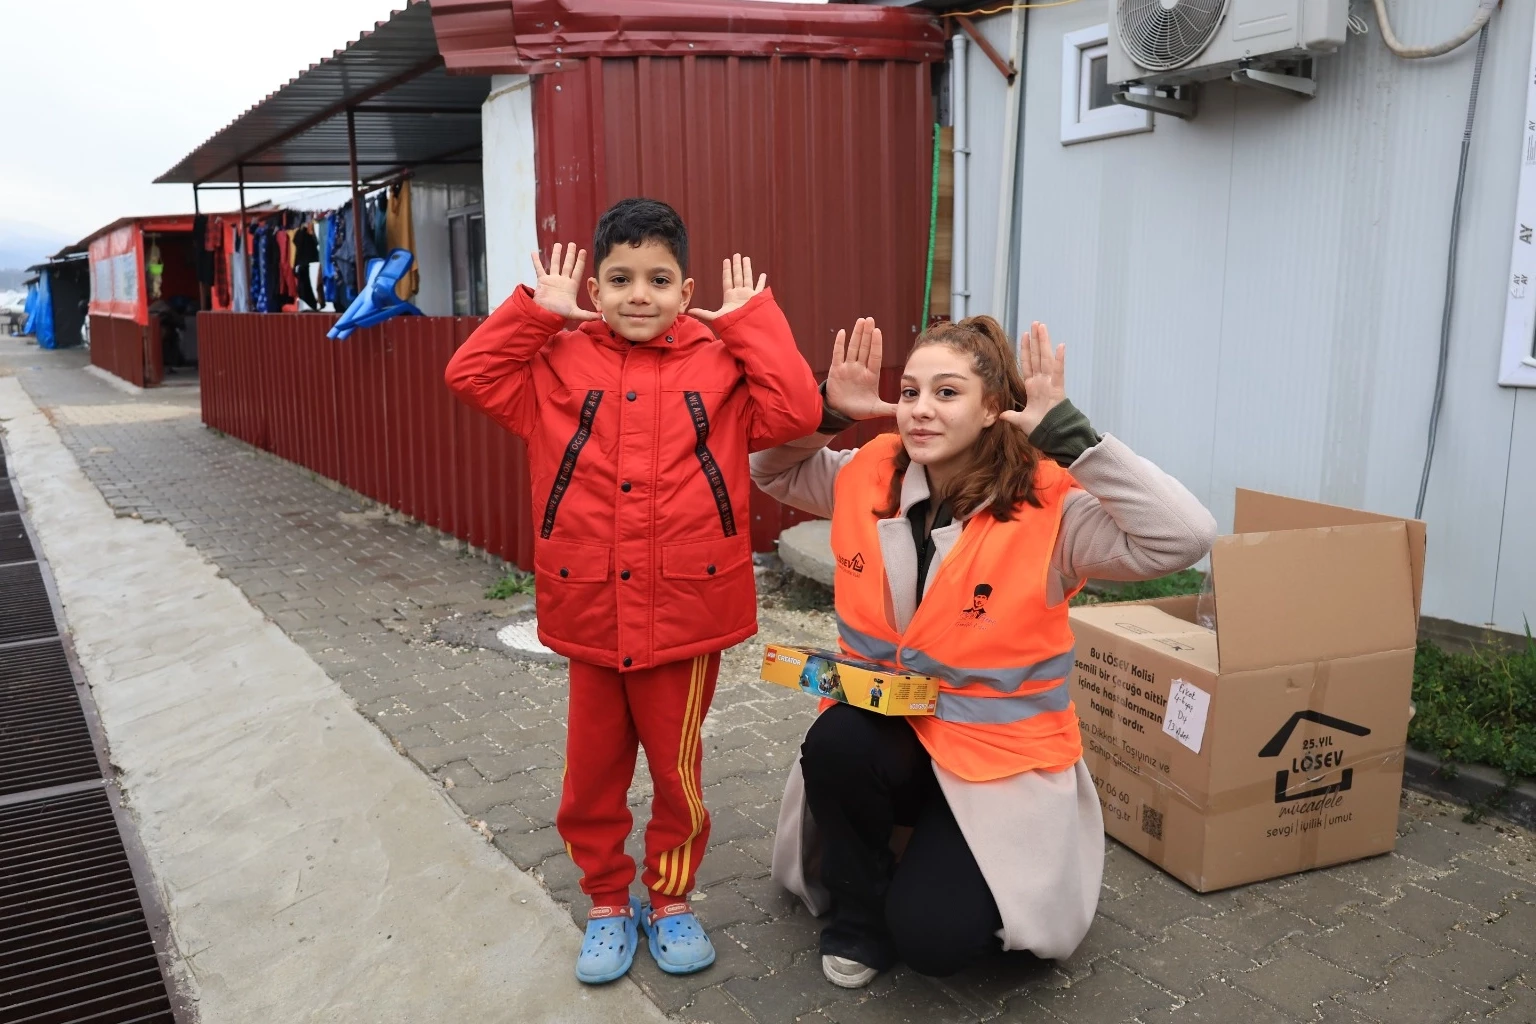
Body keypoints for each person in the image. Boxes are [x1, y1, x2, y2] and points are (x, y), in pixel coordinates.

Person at [753, 315, 1217, 988]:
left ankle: (950, 861)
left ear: (995, 407)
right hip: (891, 735)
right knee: (836, 743)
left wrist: (1071, 438)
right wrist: (825, 410)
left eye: (947, 393)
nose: (919, 410)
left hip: (1001, 763)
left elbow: (1184, 535)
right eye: (910, 391)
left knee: (937, 942)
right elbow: (770, 469)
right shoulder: (870, 470)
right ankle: (858, 912)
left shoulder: (1050, 503)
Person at [444, 198, 822, 984]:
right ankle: (609, 902)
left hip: (684, 608)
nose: (638, 295)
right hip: (587, 604)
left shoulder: (720, 362)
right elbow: (469, 372)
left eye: (658, 278)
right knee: (590, 775)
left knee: (677, 773)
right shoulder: (556, 362)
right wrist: (535, 315)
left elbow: (797, 409)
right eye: (619, 278)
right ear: (594, 289)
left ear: (687, 292)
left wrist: (752, 321)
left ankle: (672, 901)